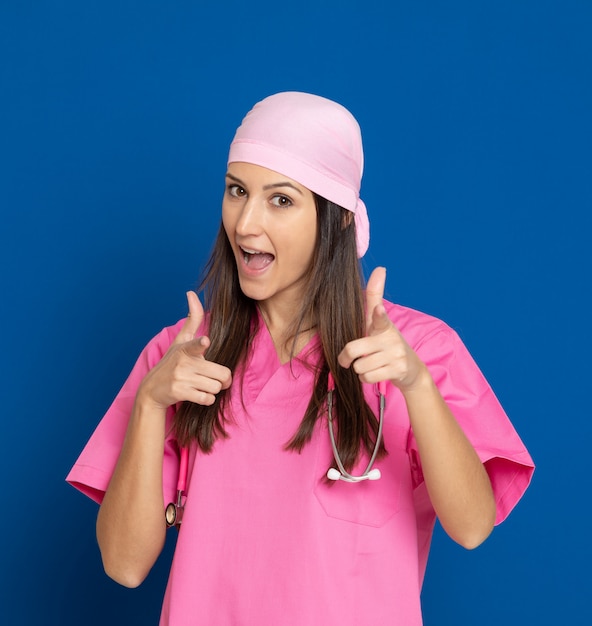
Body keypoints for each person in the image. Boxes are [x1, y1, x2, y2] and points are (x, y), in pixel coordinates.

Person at [66, 91, 534, 625]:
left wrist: (417, 386)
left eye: (280, 200)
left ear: (335, 219)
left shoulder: (416, 352)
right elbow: (124, 566)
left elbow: (472, 528)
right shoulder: (182, 355)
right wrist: (150, 405)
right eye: (236, 191)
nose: (244, 224)